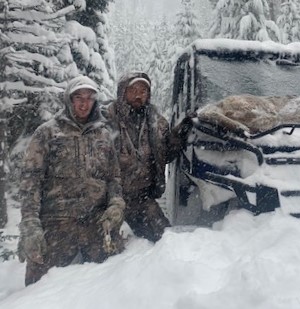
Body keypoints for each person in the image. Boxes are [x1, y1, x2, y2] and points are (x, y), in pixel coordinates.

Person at [18, 76, 125, 286]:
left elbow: (114, 178)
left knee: (115, 279)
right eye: (78, 97)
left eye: (89, 98)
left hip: (95, 220)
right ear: (69, 99)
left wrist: (116, 204)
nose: (84, 103)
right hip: (57, 221)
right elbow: (30, 181)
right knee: (39, 287)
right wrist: (30, 224)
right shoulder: (47, 132)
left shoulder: (103, 135)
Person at [104, 72, 183, 242]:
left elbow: (165, 156)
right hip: (109, 200)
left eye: (143, 91)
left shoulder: (157, 123)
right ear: (122, 92)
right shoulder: (105, 120)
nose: (139, 95)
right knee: (107, 248)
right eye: (133, 90)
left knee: (166, 240)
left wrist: (177, 139)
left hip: (141, 199)